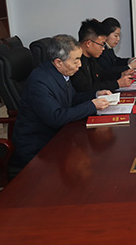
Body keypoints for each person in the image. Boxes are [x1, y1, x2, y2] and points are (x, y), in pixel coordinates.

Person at [11, 35, 111, 168]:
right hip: (38, 147)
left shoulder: (60, 73)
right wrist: (92, 105)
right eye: (76, 61)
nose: (80, 65)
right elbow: (56, 117)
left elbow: (72, 99)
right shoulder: (40, 81)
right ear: (58, 62)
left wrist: (95, 95)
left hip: (57, 136)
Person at [70, 19, 134, 94]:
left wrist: (121, 74)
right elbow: (85, 88)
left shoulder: (91, 58)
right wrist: (117, 84)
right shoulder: (74, 61)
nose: (103, 48)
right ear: (88, 43)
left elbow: (102, 75)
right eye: (101, 44)